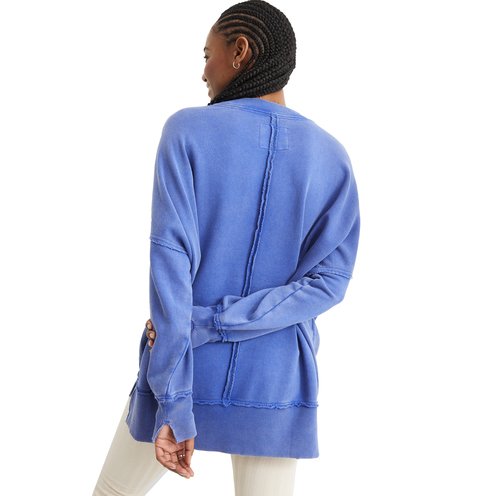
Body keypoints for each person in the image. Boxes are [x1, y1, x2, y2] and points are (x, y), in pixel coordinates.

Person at [92, 0, 360, 494]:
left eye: (207, 54)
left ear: (240, 51)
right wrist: (220, 322)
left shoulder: (187, 130)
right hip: (276, 377)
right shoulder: (332, 155)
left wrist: (176, 389)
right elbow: (328, 283)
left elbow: (171, 261)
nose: (203, 72)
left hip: (184, 360)